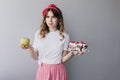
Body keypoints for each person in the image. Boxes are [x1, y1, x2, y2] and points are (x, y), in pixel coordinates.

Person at [20, 3, 83, 80]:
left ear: (59, 19)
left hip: (59, 71)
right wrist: (30, 47)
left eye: (53, 17)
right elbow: (35, 57)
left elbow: (62, 60)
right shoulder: (39, 33)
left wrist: (72, 53)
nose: (50, 20)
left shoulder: (65, 36)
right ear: (45, 19)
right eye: (47, 17)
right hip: (43, 71)